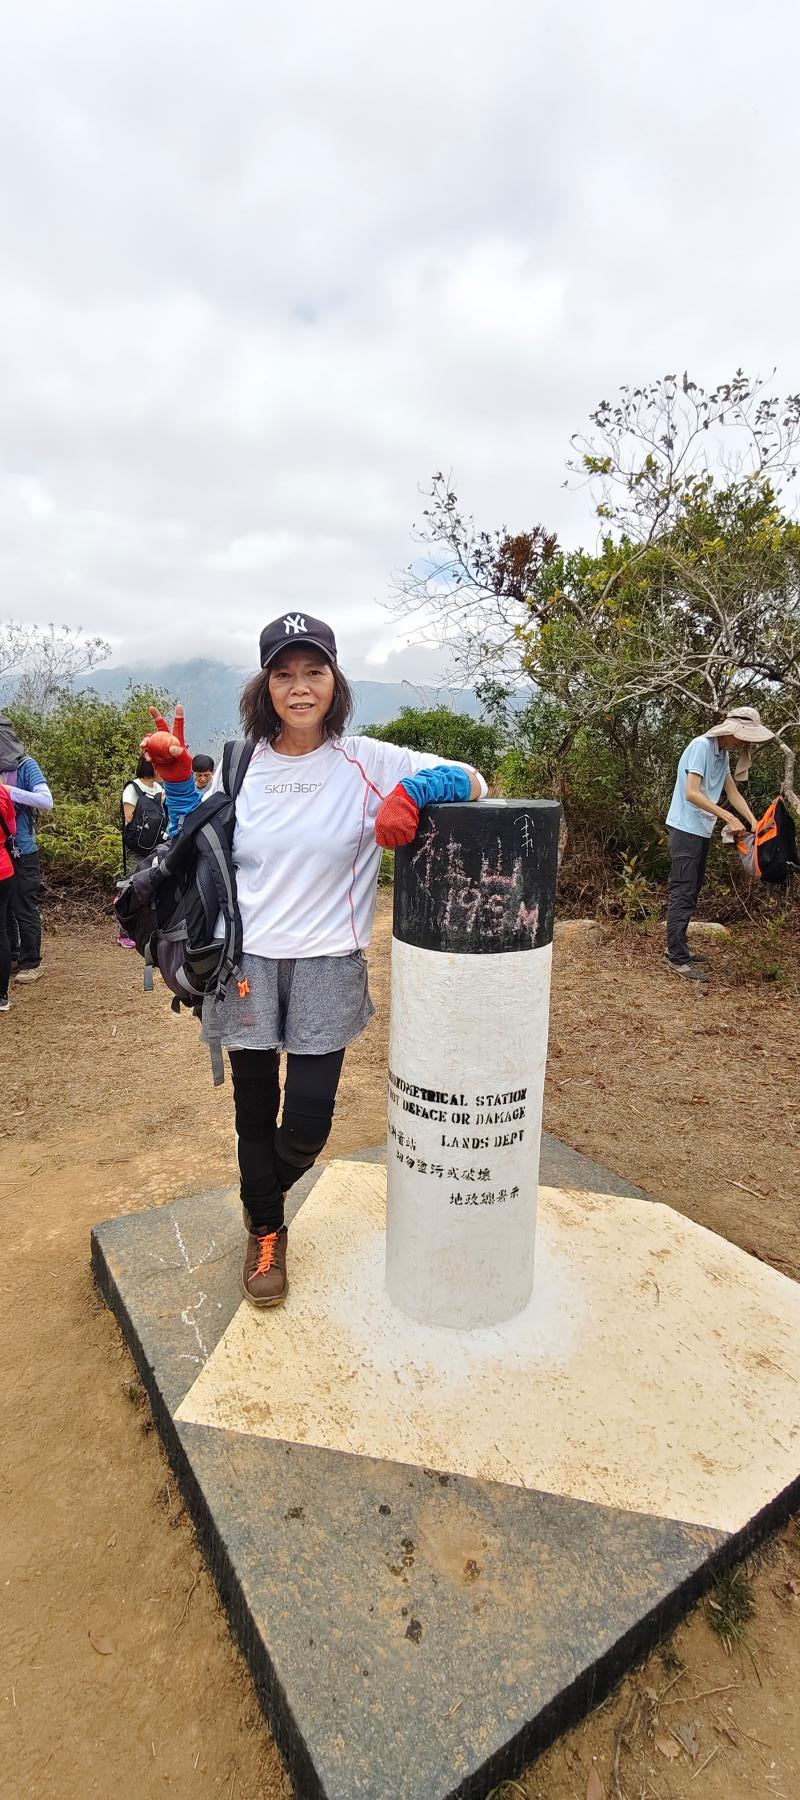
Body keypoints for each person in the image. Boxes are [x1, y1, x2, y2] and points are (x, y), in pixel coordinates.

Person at [142, 612, 487, 1309]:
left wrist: (414, 792)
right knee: (252, 1107)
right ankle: (267, 1230)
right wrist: (179, 782)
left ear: (335, 681)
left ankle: (259, 1196)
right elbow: (193, 841)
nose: (299, 687)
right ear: (264, 686)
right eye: (283, 674)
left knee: (306, 1122)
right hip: (246, 962)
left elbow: (475, 779)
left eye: (313, 671)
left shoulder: (367, 759)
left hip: (329, 962)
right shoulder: (241, 764)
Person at [664, 706, 774, 980]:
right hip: (685, 828)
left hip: (700, 829)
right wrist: (728, 817)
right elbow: (691, 792)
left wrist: (753, 821)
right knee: (683, 890)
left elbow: (732, 792)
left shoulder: (721, 753)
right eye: (742, 736)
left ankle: (678, 948)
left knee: (692, 890)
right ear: (729, 730)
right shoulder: (701, 746)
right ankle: (676, 957)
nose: (742, 742)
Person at [0, 714, 53, 985]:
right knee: (6, 907)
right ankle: (12, 955)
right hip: (3, 850)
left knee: (23, 904)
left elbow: (45, 800)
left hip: (23, 848)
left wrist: (7, 791)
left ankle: (32, 962)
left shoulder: (26, 766)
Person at [118, 754, 167, 947]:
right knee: (132, 884)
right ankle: (125, 931)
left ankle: (146, 929)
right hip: (136, 846)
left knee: (153, 885)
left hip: (155, 844)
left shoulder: (158, 788)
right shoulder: (132, 788)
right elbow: (129, 818)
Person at [0, 779, 18, 1012]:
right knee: (1, 931)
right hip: (4, 870)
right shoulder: (3, 792)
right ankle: (2, 995)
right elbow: (12, 829)